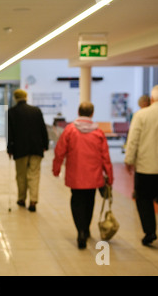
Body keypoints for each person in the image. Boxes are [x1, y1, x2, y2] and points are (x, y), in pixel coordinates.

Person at [52, 102, 113, 249]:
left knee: (76, 201)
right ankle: (85, 228)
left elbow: (60, 151)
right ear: (92, 113)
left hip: (75, 174)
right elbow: (105, 156)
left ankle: (80, 231)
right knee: (89, 202)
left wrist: (56, 168)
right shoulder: (98, 133)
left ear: (78, 112)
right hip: (94, 175)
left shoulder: (70, 130)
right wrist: (110, 176)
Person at [124, 85, 158, 250]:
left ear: (152, 99)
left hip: (145, 167)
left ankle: (149, 231)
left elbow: (133, 139)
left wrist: (129, 160)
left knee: (143, 199)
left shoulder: (141, 115)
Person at [7, 89, 49, 212]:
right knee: (34, 174)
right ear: (26, 97)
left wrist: (10, 148)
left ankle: (21, 198)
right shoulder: (36, 111)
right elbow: (43, 129)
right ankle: (33, 201)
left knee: (21, 175)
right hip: (36, 148)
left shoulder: (11, 112)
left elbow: (10, 133)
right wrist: (45, 145)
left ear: (15, 98)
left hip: (19, 149)